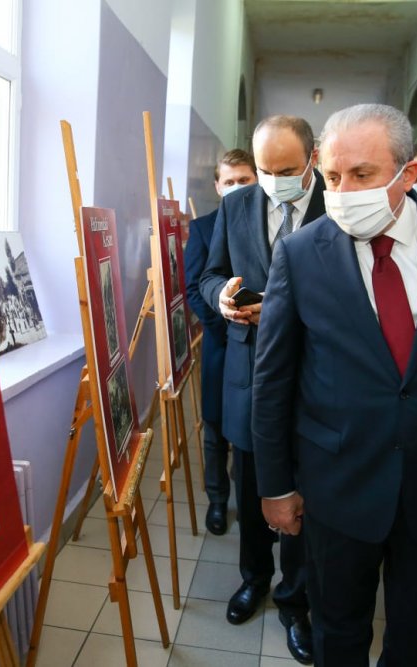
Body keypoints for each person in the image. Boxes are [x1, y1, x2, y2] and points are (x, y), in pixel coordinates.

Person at [253, 103, 417, 667]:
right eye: (331, 177)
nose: (343, 191)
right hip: (338, 483)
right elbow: (274, 377)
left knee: (415, 634)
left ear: (410, 172)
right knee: (338, 631)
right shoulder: (301, 254)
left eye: (362, 174)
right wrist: (276, 485)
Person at [200, 115, 326, 664]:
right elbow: (209, 274)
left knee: (302, 491)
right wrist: (222, 297)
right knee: (252, 485)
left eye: (288, 170)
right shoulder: (235, 207)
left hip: (316, 377)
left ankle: (295, 599)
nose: (275, 181)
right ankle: (253, 577)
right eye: (266, 170)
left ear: (313, 159)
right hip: (247, 373)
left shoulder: (337, 207)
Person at [184, 148, 257, 536]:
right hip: (220, 343)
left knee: (249, 428)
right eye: (228, 182)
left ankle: (249, 499)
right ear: (217, 186)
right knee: (214, 428)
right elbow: (195, 287)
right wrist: (226, 326)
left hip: (261, 344)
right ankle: (217, 499)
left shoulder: (269, 226)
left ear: (257, 180)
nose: (236, 188)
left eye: (243, 180)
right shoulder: (202, 229)